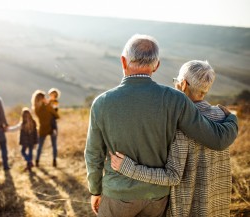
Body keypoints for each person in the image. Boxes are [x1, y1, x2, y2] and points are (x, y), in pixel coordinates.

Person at [84, 34, 238, 217]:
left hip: (118, 195)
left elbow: (93, 154)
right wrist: (232, 119)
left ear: (123, 62)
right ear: (156, 65)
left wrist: (95, 190)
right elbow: (216, 139)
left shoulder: (102, 103)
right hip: (157, 198)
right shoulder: (175, 99)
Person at [110, 60, 232, 217]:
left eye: (176, 81)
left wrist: (129, 168)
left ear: (183, 84)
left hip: (187, 209)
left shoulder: (178, 122)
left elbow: (172, 176)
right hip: (217, 206)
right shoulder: (222, 116)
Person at [32, 90, 60, 167]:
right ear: (41, 98)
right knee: (54, 145)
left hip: (42, 128)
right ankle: (54, 161)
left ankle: (37, 161)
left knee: (40, 146)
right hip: (52, 127)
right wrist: (48, 104)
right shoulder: (47, 106)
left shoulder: (35, 108)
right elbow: (56, 115)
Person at [8, 107, 38, 171]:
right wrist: (36, 141)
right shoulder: (33, 122)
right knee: (30, 152)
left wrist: (7, 129)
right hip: (32, 141)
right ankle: (29, 163)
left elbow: (14, 128)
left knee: (23, 151)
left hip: (24, 141)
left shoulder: (22, 124)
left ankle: (29, 163)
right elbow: (36, 133)